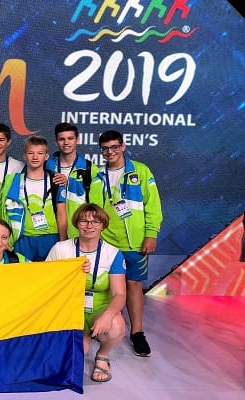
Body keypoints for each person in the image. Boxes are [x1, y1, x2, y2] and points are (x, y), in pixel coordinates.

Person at [90, 130, 162, 357]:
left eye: (114, 147)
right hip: (107, 243)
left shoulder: (140, 171)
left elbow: (153, 206)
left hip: (135, 243)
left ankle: (137, 332)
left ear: (123, 146)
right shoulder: (97, 175)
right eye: (105, 148)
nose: (110, 152)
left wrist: (151, 234)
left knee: (133, 285)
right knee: (108, 286)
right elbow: (94, 210)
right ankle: (108, 326)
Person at [46, 203, 126, 383]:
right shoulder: (60, 248)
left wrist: (107, 315)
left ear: (103, 225)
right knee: (73, 357)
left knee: (116, 325)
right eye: (84, 221)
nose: (89, 225)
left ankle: (103, 355)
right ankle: (83, 336)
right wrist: (69, 271)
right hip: (69, 307)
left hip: (98, 307)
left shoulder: (113, 254)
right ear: (76, 223)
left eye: (95, 221)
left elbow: (120, 294)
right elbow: (47, 282)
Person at [1, 136, 67, 261]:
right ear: (24, 156)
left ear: (46, 156)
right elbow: (4, 212)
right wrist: (5, 239)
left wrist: (63, 242)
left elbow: (61, 213)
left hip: (50, 237)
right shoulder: (13, 181)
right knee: (23, 273)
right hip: (23, 238)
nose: (35, 157)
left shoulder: (56, 180)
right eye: (30, 153)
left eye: (40, 153)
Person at [45, 122, 98, 238]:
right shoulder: (45, 167)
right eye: (62, 139)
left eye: (70, 138)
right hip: (49, 232)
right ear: (56, 142)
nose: (66, 142)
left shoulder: (90, 169)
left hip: (79, 232)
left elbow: (96, 206)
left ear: (77, 140)